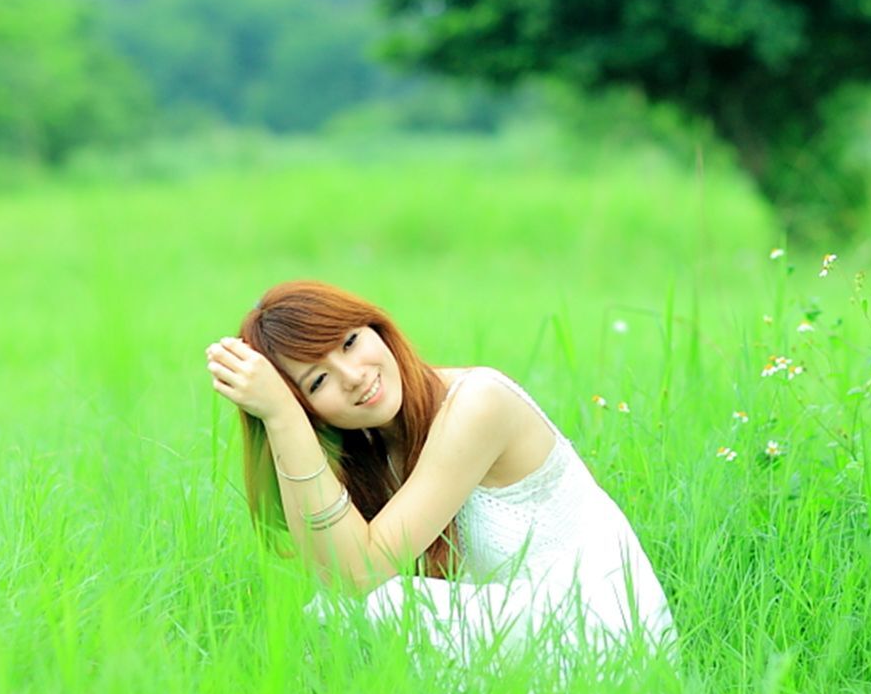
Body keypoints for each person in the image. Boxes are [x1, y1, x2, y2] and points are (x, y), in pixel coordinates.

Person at [204, 280, 677, 665]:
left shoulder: (477, 404)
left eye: (349, 342)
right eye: (318, 380)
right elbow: (333, 573)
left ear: (378, 329)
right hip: (522, 624)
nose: (352, 375)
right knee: (329, 618)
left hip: (604, 634)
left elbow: (359, 574)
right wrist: (286, 422)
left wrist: (283, 415)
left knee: (363, 612)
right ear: (313, 410)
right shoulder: (368, 448)